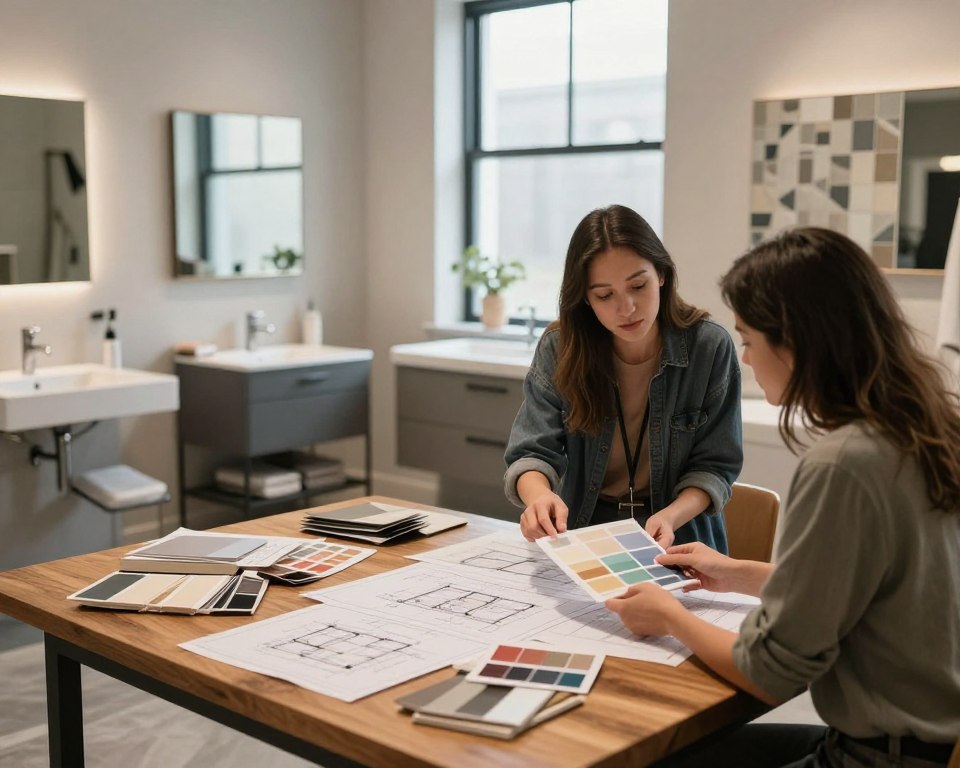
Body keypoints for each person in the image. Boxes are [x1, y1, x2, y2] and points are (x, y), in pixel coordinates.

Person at [606, 227, 960, 767]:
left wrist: (670, 616)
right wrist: (737, 572)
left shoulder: (845, 464)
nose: (744, 358)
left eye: (748, 339)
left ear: (794, 340)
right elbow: (872, 594)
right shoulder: (925, 426)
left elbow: (768, 672)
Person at [504, 204, 743, 550]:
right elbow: (531, 452)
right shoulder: (561, 348)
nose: (626, 308)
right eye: (604, 295)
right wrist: (539, 497)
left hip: (678, 535)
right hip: (583, 532)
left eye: (638, 286)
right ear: (585, 298)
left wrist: (670, 516)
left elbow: (716, 466)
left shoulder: (709, 347)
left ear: (661, 274)